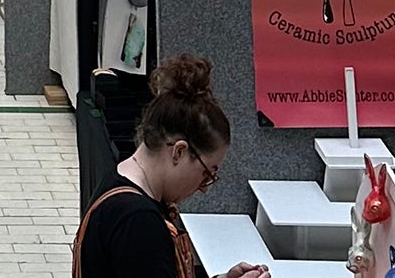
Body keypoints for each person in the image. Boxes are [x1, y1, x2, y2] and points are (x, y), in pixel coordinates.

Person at [72, 54, 264, 278]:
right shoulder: (138, 222)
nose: (204, 187)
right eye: (206, 173)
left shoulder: (118, 183)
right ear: (179, 151)